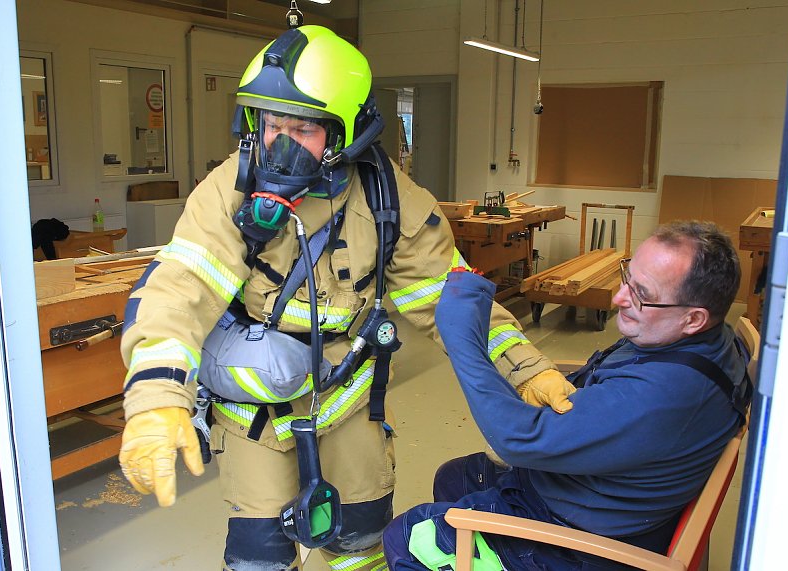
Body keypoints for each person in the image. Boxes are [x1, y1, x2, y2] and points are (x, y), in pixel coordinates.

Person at [115, 25, 574, 571]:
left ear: (346, 131)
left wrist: (527, 369)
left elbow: (452, 304)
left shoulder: (391, 201)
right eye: (270, 124)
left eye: (303, 127)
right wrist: (155, 398)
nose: (279, 144)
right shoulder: (227, 190)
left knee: (359, 542)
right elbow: (179, 289)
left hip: (349, 398)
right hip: (254, 408)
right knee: (259, 553)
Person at [383, 220, 753, 571]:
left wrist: (464, 339)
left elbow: (518, 438)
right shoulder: (711, 342)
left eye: (643, 295)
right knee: (457, 476)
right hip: (603, 495)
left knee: (410, 535)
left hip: (581, 542)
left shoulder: (664, 393)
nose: (619, 298)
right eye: (629, 277)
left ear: (694, 319)